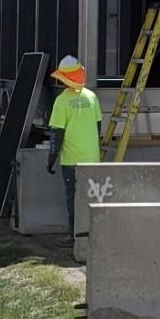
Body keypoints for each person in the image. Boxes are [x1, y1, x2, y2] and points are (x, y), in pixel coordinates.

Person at [45, 55, 102, 226]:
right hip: (92, 158)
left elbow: (56, 134)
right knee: (90, 196)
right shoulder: (92, 97)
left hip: (71, 160)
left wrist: (51, 160)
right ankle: (92, 233)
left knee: (73, 196)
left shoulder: (61, 102)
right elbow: (98, 127)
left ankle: (75, 235)